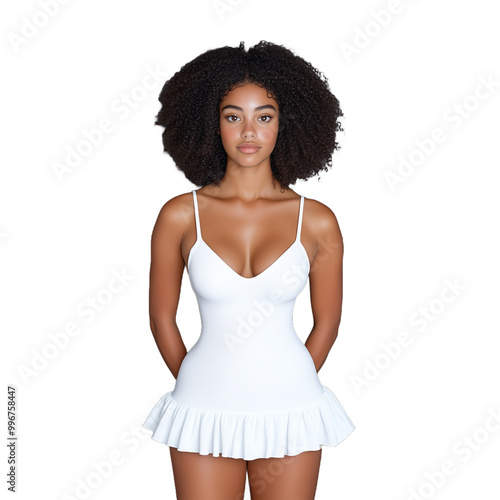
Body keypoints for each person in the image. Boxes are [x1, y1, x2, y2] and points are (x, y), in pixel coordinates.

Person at [142, 40, 355, 500]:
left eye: (265, 116)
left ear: (287, 123)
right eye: (233, 115)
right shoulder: (180, 215)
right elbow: (162, 318)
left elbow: (329, 322)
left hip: (292, 406)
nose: (249, 132)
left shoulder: (316, 220)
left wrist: (290, 382)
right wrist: (199, 382)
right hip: (201, 405)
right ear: (210, 122)